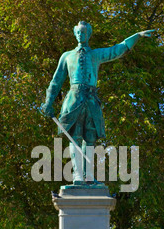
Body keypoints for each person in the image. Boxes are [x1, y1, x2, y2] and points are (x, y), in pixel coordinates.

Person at [42, 21, 154, 185]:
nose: (81, 35)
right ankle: (78, 176)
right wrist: (48, 102)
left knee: (91, 138)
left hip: (91, 100)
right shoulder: (66, 56)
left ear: (89, 34)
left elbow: (117, 50)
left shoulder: (95, 55)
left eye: (84, 33)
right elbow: (56, 81)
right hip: (73, 99)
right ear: (75, 34)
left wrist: (137, 36)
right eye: (78, 32)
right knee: (75, 137)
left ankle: (88, 176)